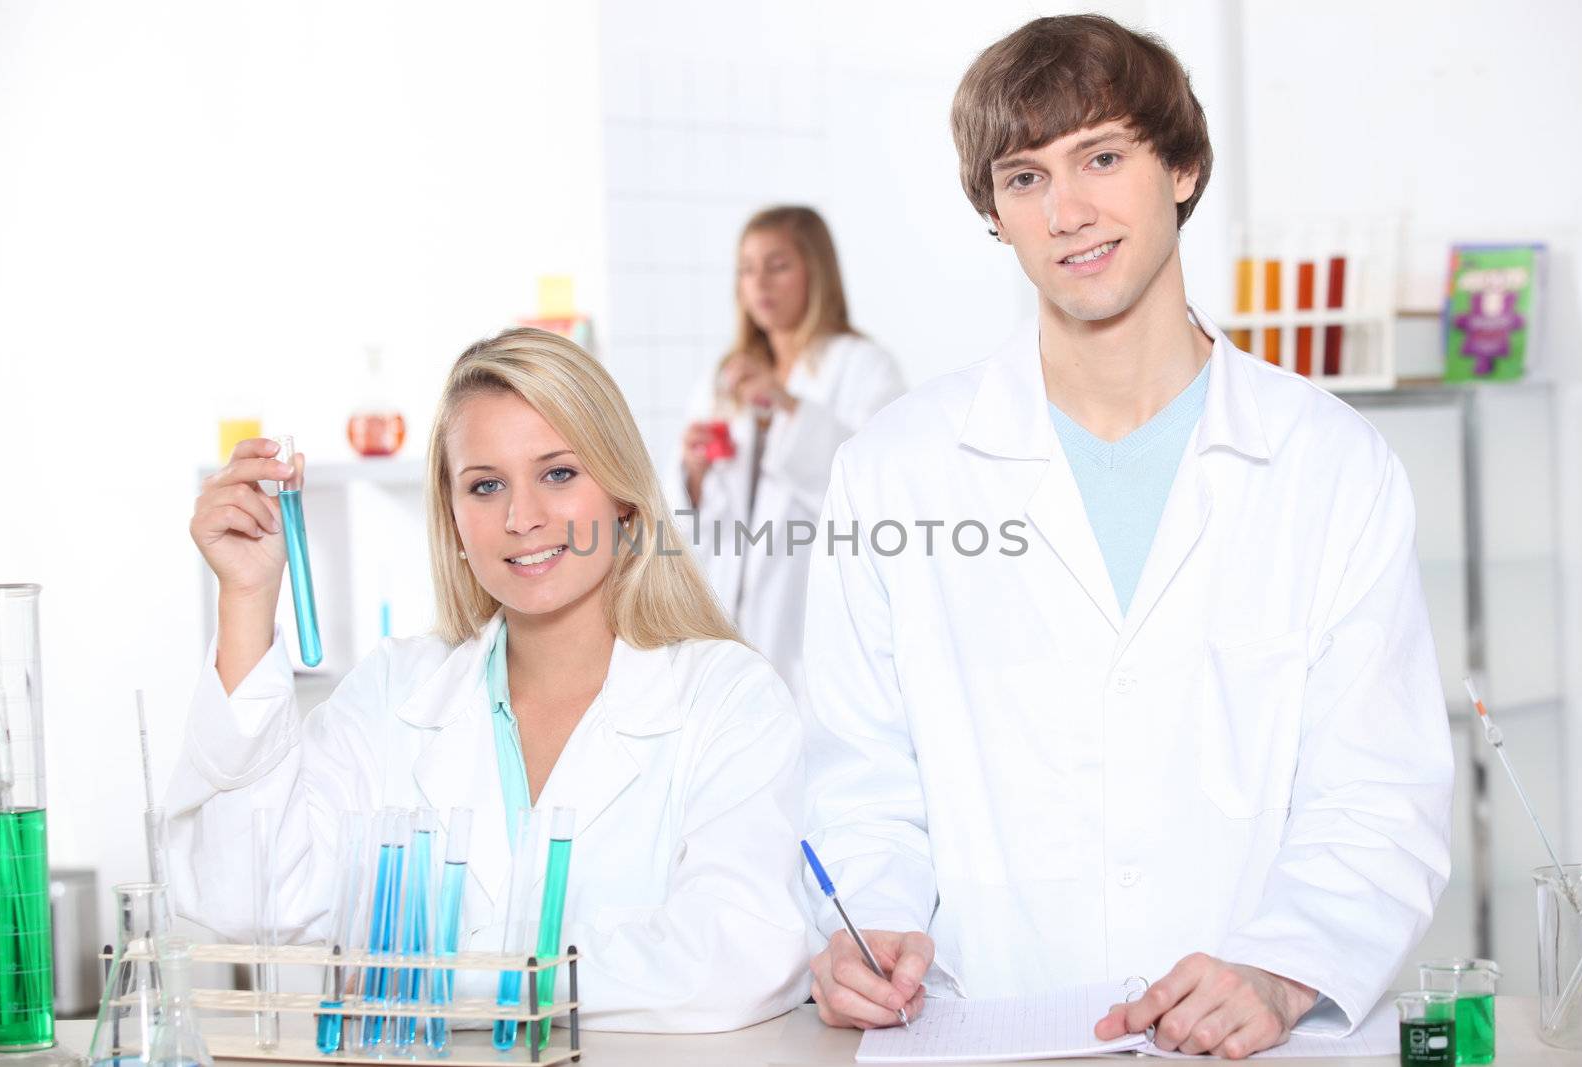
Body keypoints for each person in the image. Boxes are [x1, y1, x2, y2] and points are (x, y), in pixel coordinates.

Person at [799, 15, 1452, 1059]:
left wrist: (1283, 969)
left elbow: (1377, 791)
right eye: (1023, 177)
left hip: (1256, 1042)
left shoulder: (1329, 465)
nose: (1067, 211)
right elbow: (859, 774)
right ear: (995, 214)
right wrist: (869, 927)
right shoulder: (894, 468)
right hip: (984, 1025)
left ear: (1182, 165)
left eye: (1101, 157)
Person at [167, 328, 810, 1032]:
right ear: (452, 517)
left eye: (559, 473)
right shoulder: (395, 692)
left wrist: (439, 979)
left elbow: (736, 957)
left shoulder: (729, 698)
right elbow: (249, 897)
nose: (521, 517)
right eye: (485, 485)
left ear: (623, 497)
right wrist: (247, 599)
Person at [672, 206, 905, 700]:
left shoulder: (863, 368)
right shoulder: (725, 376)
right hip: (728, 614)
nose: (760, 283)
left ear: (815, 273)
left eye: (777, 266)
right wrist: (692, 472)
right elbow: (696, 516)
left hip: (806, 612)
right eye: (747, 269)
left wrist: (787, 405)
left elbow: (877, 488)